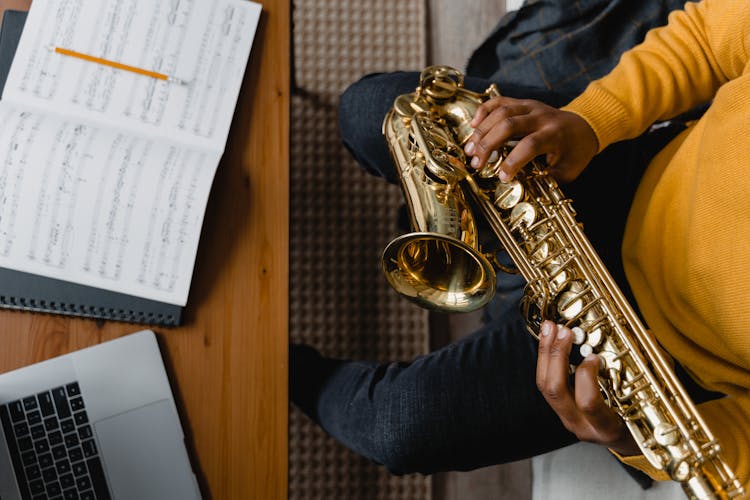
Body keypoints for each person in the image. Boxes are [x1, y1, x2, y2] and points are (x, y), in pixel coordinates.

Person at [291, 0, 750, 493]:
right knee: (371, 110)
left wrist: (631, 440)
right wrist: (589, 121)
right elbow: (706, 38)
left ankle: (290, 373)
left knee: (395, 428)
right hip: (628, 167)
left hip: (644, 366)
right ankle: (477, 247)